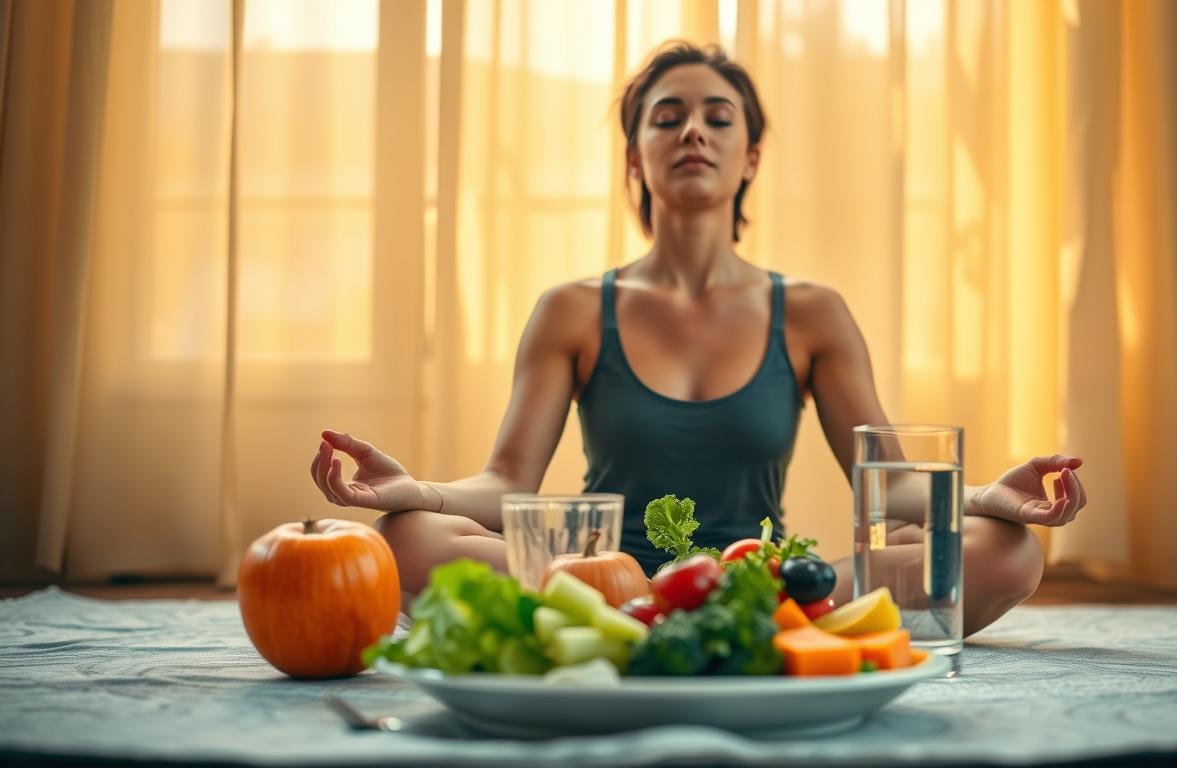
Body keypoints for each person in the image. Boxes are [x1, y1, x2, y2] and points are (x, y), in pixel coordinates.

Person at [308, 41, 1088, 637]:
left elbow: (891, 484)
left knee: (1006, 548)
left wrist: (987, 497)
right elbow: (507, 484)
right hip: (599, 575)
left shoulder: (813, 312)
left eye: (719, 118)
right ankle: (687, 623)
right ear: (636, 157)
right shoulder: (572, 310)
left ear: (749, 157)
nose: (692, 132)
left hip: (764, 578)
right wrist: (417, 493)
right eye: (666, 116)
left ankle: (662, 629)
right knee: (406, 539)